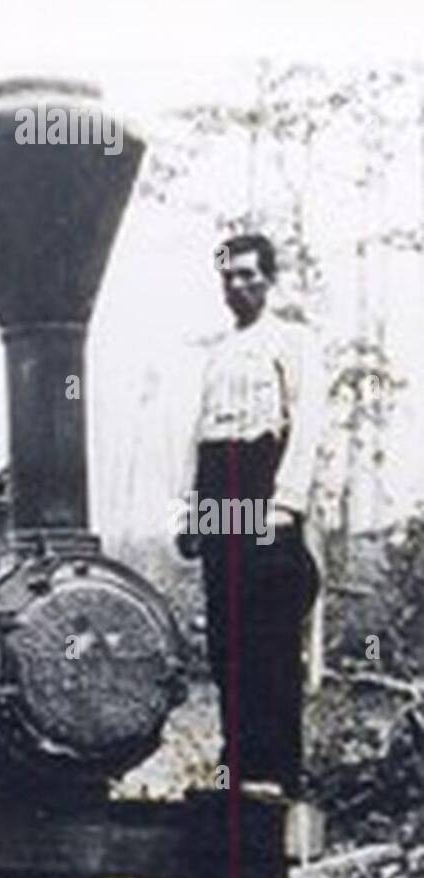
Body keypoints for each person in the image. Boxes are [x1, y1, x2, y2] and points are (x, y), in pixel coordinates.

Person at [176, 233, 323, 797]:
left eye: (248, 275)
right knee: (226, 634)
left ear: (269, 279)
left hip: (263, 484)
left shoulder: (293, 340)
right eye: (228, 277)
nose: (237, 286)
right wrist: (190, 512)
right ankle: (235, 764)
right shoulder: (217, 352)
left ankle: (274, 771)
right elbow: (199, 433)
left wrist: (286, 500)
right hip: (219, 483)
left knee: (269, 632)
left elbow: (306, 420)